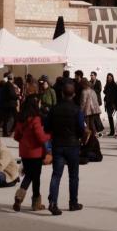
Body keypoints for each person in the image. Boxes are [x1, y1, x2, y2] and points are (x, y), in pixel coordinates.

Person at [44, 82, 84, 215]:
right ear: (73, 94)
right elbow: (81, 129)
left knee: (56, 175)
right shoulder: (77, 109)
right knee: (73, 176)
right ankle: (73, 202)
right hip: (72, 144)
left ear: (61, 93)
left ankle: (53, 202)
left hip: (58, 144)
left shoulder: (54, 109)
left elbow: (47, 128)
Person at [12, 98, 51, 212]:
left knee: (29, 175)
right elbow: (41, 137)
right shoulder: (36, 119)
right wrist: (49, 136)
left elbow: (16, 137)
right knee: (36, 178)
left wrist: (24, 140)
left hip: (24, 152)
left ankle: (19, 196)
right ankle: (36, 203)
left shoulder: (20, 119)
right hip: (35, 153)